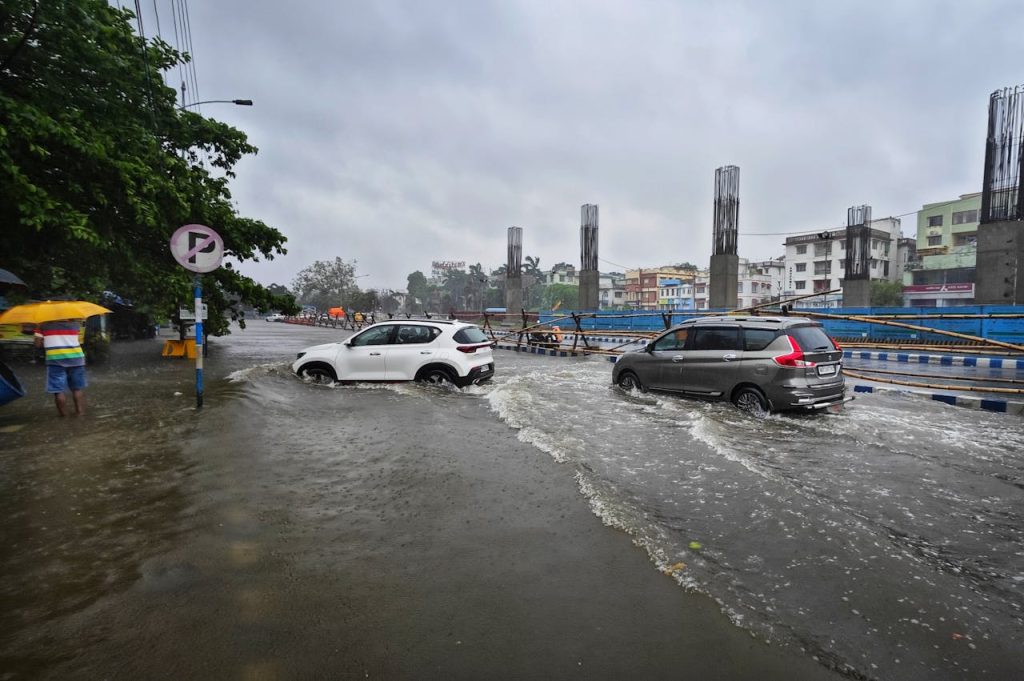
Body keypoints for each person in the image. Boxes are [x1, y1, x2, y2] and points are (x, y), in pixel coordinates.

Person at [34, 318, 87, 416]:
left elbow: (37, 345)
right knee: (77, 388)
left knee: (58, 390)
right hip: (76, 359)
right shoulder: (75, 324)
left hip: (55, 360)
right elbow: (78, 340)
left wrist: (39, 331)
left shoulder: (43, 325)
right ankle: (79, 412)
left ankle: (63, 416)